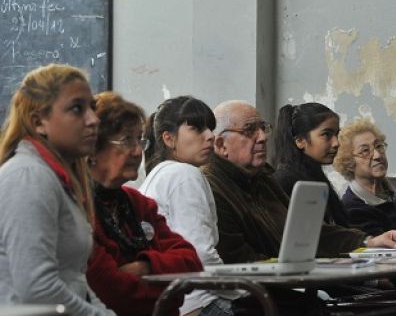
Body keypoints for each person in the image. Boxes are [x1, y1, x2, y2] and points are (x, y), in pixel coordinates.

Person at [202, 100, 396, 264]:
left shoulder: (263, 179)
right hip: (263, 298)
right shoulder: (211, 190)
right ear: (221, 145)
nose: (263, 137)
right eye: (249, 130)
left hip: (295, 284)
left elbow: (310, 231)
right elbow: (239, 262)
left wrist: (369, 241)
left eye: (263, 128)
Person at [0, 64, 114, 315]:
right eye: (77, 109)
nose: (94, 120)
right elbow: (38, 288)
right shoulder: (28, 176)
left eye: (92, 108)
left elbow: (75, 279)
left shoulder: (53, 178)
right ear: (38, 121)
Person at [86, 92, 203, 316]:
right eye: (126, 140)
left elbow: (191, 261)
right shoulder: (78, 207)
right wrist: (168, 294)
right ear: (93, 148)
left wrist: (145, 267)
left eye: (140, 139)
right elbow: (112, 293)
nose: (138, 151)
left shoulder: (137, 203)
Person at [140, 96, 235, 316]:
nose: (211, 136)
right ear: (169, 138)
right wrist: (238, 291)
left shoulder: (160, 173)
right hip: (198, 301)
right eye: (197, 129)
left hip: (175, 300)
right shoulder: (184, 175)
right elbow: (200, 253)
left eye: (210, 128)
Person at [273, 103, 348, 226]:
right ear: (300, 141)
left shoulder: (314, 176)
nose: (336, 143)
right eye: (326, 134)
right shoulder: (286, 182)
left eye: (336, 134)